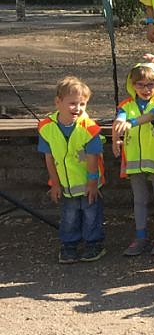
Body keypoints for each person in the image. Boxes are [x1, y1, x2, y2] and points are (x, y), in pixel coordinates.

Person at [39, 77, 105, 263]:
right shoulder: (46, 127)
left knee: (91, 214)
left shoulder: (89, 129)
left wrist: (92, 183)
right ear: (58, 102)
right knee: (69, 216)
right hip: (66, 185)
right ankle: (69, 246)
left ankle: (94, 244)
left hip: (88, 183)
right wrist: (55, 184)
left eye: (82, 104)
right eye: (72, 103)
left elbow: (93, 158)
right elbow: (49, 158)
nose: (78, 108)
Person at [112, 62, 154, 257]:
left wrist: (131, 123)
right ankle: (140, 236)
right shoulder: (126, 105)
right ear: (132, 85)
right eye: (141, 85)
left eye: (150, 85)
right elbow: (119, 119)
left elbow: (152, 117)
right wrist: (115, 137)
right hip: (134, 159)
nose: (146, 89)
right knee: (139, 199)